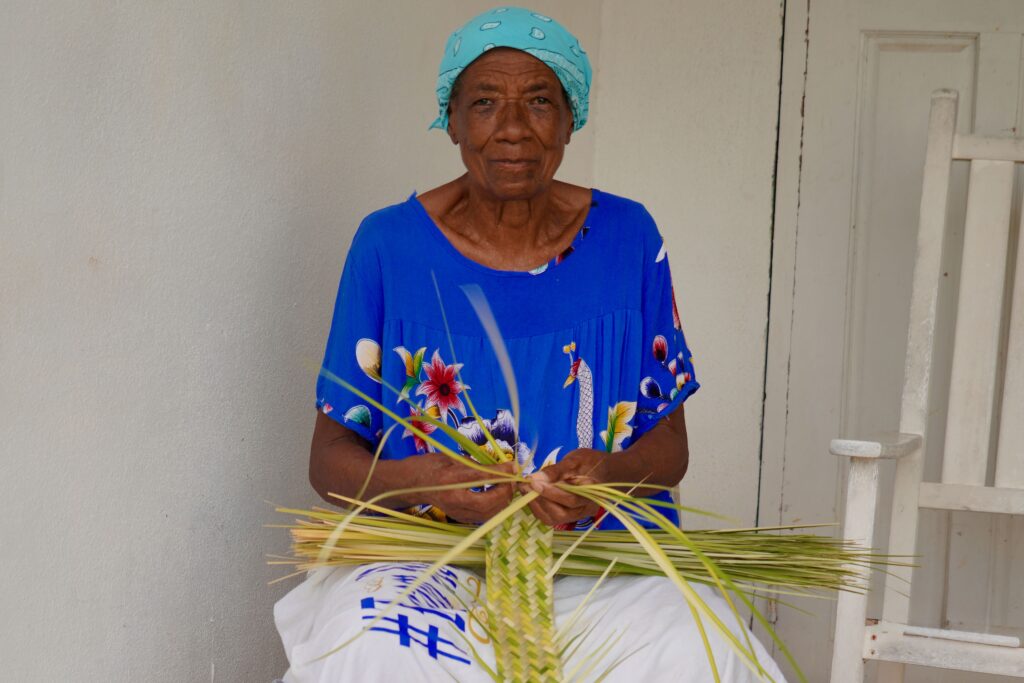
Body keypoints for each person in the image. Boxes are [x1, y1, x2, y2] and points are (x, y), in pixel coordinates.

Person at [275, 7, 787, 682]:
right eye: (484, 103)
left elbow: (670, 447)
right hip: (428, 560)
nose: (512, 128)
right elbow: (330, 460)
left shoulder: (629, 239)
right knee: (374, 651)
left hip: (602, 562)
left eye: (539, 101)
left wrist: (608, 473)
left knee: (706, 645)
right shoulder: (387, 247)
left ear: (569, 120)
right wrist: (424, 483)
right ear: (452, 122)